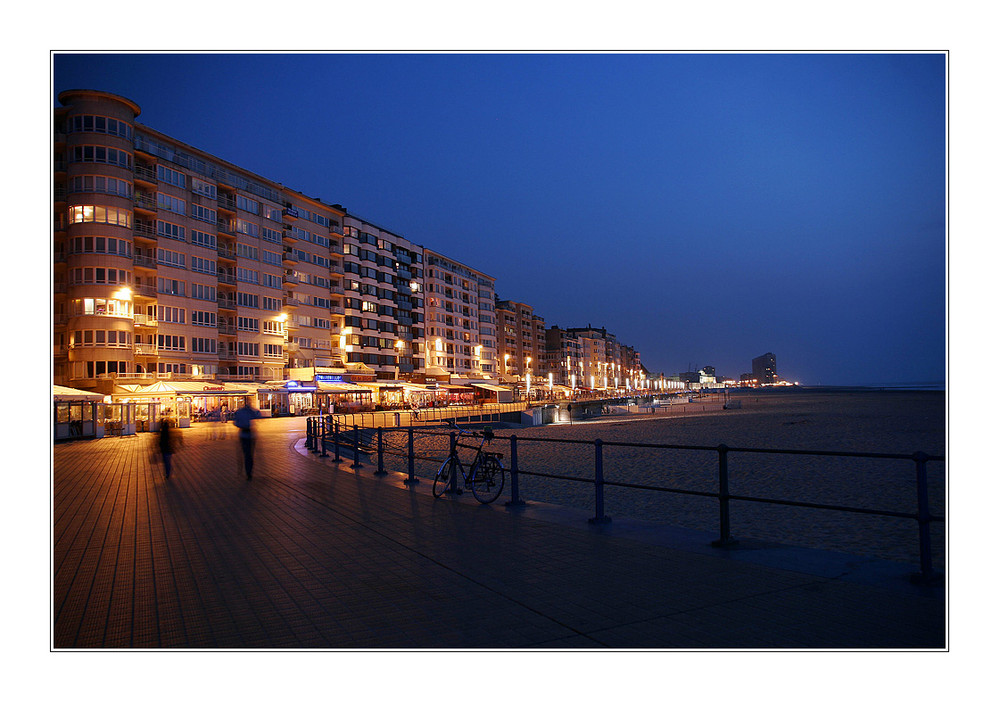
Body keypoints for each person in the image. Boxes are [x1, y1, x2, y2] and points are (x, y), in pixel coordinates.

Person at [233, 398, 262, 480]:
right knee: (249, 454)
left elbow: (235, 422)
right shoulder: (249, 411)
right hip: (249, 434)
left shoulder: (240, 411)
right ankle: (248, 471)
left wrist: (241, 424)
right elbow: (258, 415)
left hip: (243, 434)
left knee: (246, 454)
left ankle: (246, 471)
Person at [158, 412, 182, 478]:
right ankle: (168, 471)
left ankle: (167, 472)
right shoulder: (170, 432)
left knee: (166, 461)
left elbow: (160, 442)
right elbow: (176, 438)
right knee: (168, 461)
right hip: (169, 449)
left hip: (164, 450)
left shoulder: (162, 433)